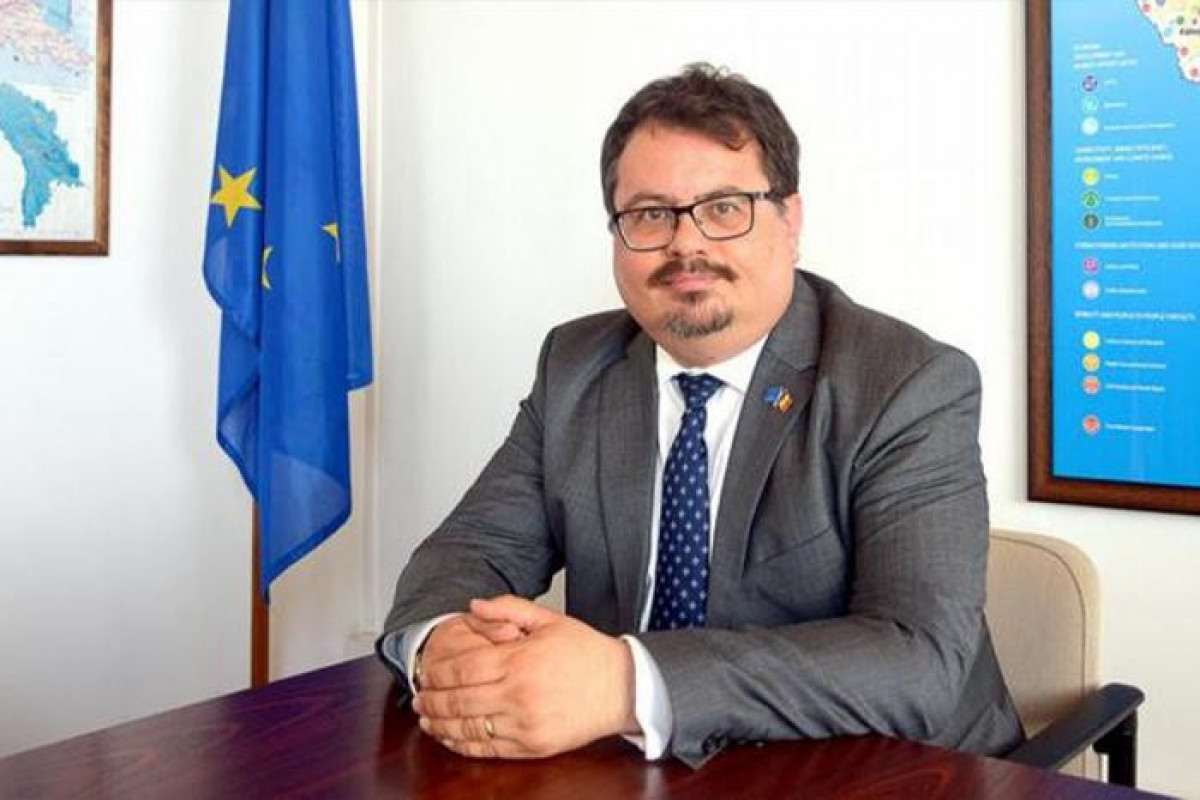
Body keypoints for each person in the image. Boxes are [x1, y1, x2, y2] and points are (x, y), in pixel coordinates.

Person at [377, 63, 1023, 768]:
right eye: (650, 215)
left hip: (891, 771)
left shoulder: (906, 384)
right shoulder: (575, 367)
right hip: (638, 769)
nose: (687, 244)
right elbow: (470, 551)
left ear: (790, 221)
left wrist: (627, 684)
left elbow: (918, 660)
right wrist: (444, 646)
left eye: (723, 208)